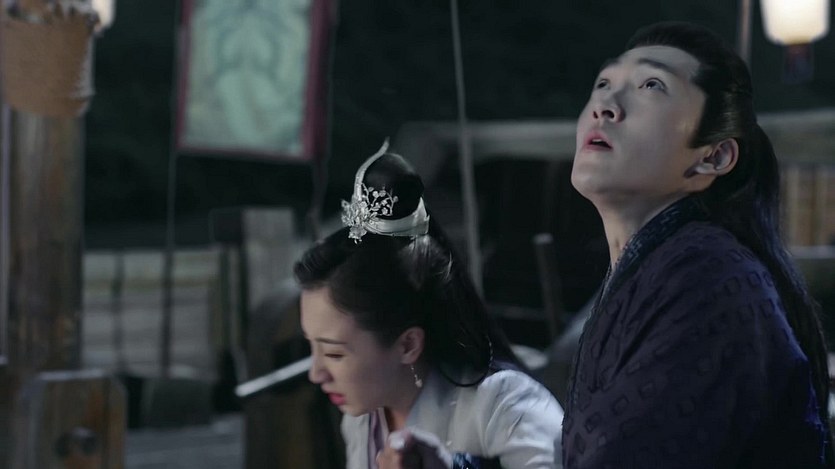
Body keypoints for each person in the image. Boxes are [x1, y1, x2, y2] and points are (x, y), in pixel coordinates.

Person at [563, 21, 833, 468]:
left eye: (651, 85)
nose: (605, 107)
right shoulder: (661, 266)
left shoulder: (709, 279)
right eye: (604, 83)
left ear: (713, 156)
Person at [295, 141, 564, 469]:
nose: (316, 373)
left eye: (334, 353)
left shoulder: (505, 405)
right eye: (312, 347)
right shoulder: (363, 415)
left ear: (408, 344)